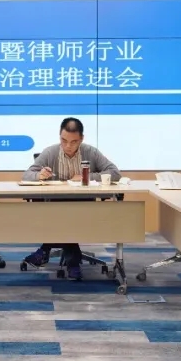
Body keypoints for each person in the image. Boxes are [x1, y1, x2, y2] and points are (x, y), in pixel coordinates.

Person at [21, 117, 121, 280]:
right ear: (59, 137)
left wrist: (86, 177)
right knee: (63, 216)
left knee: (67, 217)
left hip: (84, 206)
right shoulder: (50, 152)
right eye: (64, 140)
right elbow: (27, 175)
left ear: (81, 139)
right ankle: (73, 261)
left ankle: (45, 250)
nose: (68, 146)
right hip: (54, 206)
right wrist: (39, 175)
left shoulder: (91, 152)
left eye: (73, 142)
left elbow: (115, 173)